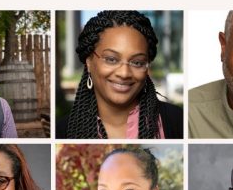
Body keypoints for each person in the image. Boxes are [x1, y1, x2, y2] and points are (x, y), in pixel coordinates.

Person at [56, 10, 183, 139]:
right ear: (89, 61)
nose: (124, 73)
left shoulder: (177, 121)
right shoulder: (62, 132)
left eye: (137, 62)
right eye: (111, 59)